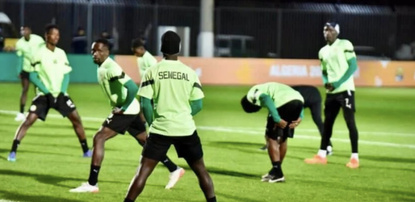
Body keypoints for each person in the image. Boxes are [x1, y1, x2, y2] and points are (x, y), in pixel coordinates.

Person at [69, 38, 184, 193]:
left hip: (127, 110)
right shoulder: (103, 66)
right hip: (132, 109)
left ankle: (92, 183)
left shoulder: (111, 67)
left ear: (107, 52)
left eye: (98, 51)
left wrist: (123, 107)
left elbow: (132, 88)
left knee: (99, 138)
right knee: (146, 142)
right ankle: (174, 168)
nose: (94, 54)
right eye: (92, 51)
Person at [124, 31, 216, 202]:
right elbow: (198, 105)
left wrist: (152, 125)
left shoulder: (152, 71)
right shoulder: (190, 73)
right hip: (185, 129)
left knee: (142, 173)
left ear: (161, 48)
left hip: (160, 129)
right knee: (201, 171)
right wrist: (183, 115)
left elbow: (145, 103)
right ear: (179, 49)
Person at [7, 24, 91, 162]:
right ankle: (13, 152)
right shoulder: (38, 53)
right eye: (54, 34)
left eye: (58, 35)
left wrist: (62, 92)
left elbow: (67, 75)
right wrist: (47, 92)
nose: (57, 37)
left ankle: (86, 151)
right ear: (47, 36)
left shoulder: (61, 53)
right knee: (28, 121)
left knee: (76, 119)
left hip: (60, 95)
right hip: (44, 96)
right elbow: (33, 76)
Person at [304, 22, 360, 169]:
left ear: (337, 32)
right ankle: (322, 155)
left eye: (330, 30)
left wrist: (338, 82)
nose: (327, 32)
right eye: (325, 30)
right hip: (331, 92)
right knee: (327, 124)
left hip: (345, 90)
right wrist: (326, 82)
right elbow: (324, 71)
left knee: (350, 122)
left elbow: (353, 66)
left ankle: (355, 157)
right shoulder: (322, 51)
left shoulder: (345, 44)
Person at [241, 82, 304, 183]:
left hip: (284, 103)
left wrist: (276, 118)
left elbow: (266, 99)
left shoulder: (252, 93)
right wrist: (301, 116)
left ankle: (278, 172)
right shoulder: (269, 87)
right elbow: (296, 97)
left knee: (271, 137)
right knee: (283, 138)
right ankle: (276, 170)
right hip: (299, 101)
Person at [259, 85, 333, 155]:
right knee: (318, 120)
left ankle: (272, 143)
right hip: (314, 94)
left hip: (307, 97)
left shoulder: (281, 96)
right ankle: (328, 146)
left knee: (282, 121)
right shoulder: (283, 92)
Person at [14, 25, 45, 121]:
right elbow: (20, 58)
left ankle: (39, 113)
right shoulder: (19, 43)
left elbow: (44, 51)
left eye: (25, 29)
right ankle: (21, 113)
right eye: (22, 30)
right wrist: (19, 70)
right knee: (25, 89)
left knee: (39, 92)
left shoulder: (38, 40)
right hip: (26, 69)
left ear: (30, 30)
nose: (24, 31)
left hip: (37, 69)